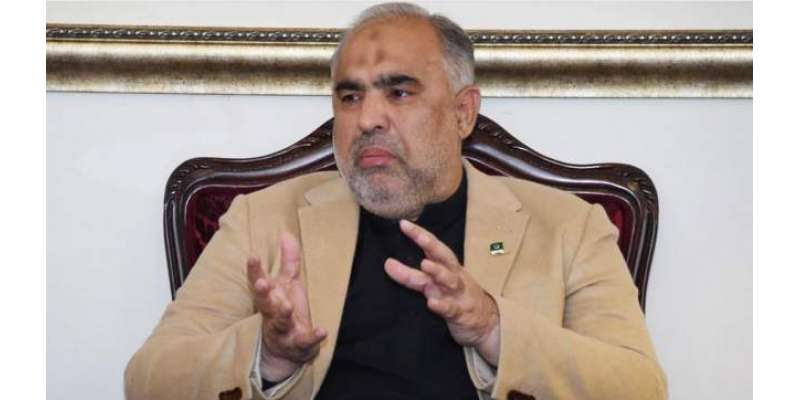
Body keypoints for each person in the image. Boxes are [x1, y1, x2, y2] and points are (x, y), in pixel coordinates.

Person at [124, 3, 667, 400]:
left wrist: (492, 327)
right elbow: (149, 379)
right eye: (350, 96)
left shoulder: (568, 226)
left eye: (399, 92)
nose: (367, 119)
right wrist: (269, 353)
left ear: (463, 112)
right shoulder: (262, 219)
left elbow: (640, 387)